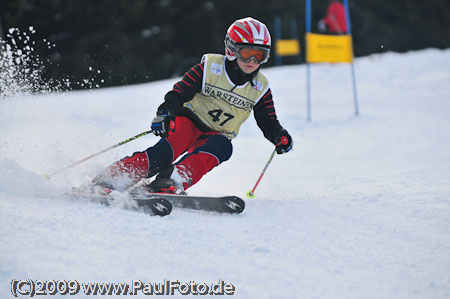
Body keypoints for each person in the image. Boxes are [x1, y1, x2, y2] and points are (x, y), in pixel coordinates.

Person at [90, 17, 293, 194]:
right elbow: (180, 92)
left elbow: (267, 120)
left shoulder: (260, 87)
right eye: (247, 52)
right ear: (231, 49)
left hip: (217, 135)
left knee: (223, 148)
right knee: (163, 155)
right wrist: (166, 112)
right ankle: (113, 177)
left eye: (260, 56)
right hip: (189, 121)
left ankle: (171, 180)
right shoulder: (210, 69)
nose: (252, 61)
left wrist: (279, 136)